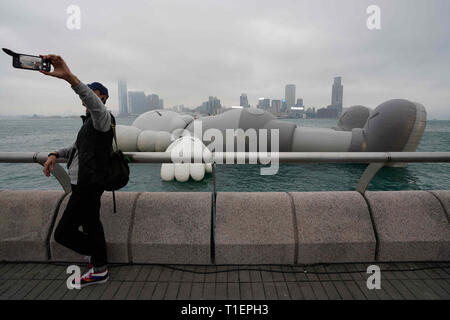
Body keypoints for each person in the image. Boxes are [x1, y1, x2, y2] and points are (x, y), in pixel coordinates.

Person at [41, 54, 112, 288]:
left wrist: (70, 77)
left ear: (102, 98)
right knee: (92, 224)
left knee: (62, 233)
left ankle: (98, 258)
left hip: (88, 185)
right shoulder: (89, 122)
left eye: (94, 94)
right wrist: (54, 155)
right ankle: (99, 268)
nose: (89, 98)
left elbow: (90, 99)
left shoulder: (102, 117)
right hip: (85, 182)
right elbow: (76, 149)